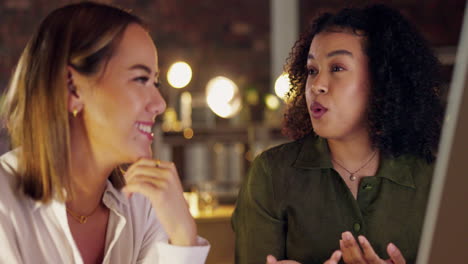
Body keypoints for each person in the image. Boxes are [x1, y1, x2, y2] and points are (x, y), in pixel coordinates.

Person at [232, 4, 443, 264]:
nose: (317, 85)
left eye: (337, 68)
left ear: (382, 81)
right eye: (312, 70)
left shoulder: (434, 180)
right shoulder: (271, 173)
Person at [0, 2, 209, 263]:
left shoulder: (144, 205)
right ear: (72, 89)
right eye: (141, 79)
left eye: (155, 82)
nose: (160, 104)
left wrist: (183, 237)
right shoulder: (3, 202)